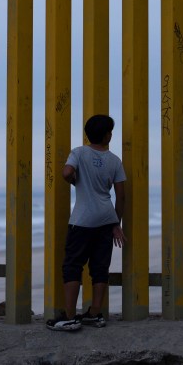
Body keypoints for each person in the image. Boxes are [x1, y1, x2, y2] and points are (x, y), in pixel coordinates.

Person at [46, 114, 127, 331]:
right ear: (106, 135)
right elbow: (121, 196)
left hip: (82, 220)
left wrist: (74, 181)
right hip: (106, 218)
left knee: (73, 265)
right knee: (100, 266)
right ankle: (94, 313)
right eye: (110, 131)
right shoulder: (115, 160)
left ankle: (70, 316)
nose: (111, 133)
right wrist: (116, 223)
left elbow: (66, 173)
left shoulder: (79, 153)